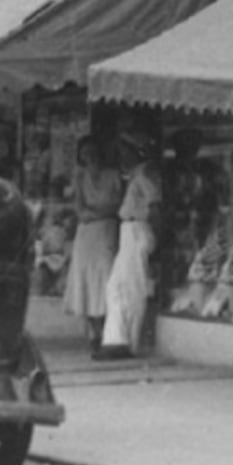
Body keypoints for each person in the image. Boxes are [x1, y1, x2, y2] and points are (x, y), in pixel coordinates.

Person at [101, 140, 163, 359]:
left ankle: (128, 342)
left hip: (137, 228)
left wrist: (153, 234)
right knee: (116, 287)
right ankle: (116, 340)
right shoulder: (135, 175)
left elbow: (154, 204)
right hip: (129, 229)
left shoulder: (144, 175)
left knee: (131, 288)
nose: (122, 157)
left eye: (126, 152)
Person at [63, 133, 121, 347]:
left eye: (93, 152)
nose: (90, 156)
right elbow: (80, 210)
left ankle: (107, 330)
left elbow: (117, 206)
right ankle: (94, 333)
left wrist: (95, 212)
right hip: (86, 235)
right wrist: (100, 212)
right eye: (85, 153)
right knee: (85, 282)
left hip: (105, 233)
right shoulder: (79, 176)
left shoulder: (113, 175)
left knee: (106, 277)